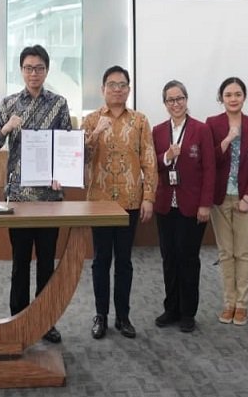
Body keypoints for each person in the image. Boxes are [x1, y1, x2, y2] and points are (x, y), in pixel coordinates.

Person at [0, 45, 71, 344]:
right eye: (28, 68)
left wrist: (63, 173)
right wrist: (7, 127)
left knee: (47, 262)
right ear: (21, 70)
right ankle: (18, 319)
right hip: (19, 199)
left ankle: (45, 320)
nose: (33, 73)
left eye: (39, 68)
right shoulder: (9, 103)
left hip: (49, 198)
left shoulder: (59, 104)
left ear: (46, 71)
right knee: (20, 262)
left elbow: (65, 147)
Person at [82, 66, 158, 340]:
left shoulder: (140, 120)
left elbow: (149, 160)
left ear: (129, 89)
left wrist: (149, 196)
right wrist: (94, 135)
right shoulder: (91, 120)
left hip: (130, 200)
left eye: (122, 84)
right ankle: (100, 315)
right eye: (111, 84)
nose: (117, 89)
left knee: (124, 261)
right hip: (99, 201)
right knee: (101, 260)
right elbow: (79, 158)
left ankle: (122, 316)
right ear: (103, 89)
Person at [151, 81, 215, 333]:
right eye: (170, 100)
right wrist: (167, 156)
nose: (175, 104)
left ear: (186, 100)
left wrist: (205, 204)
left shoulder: (201, 130)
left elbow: (210, 170)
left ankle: (188, 312)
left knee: (188, 259)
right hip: (166, 204)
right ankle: (171, 308)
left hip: (192, 205)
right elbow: (152, 164)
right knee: (169, 258)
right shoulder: (157, 131)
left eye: (179, 99)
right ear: (165, 104)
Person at [206, 76, 248, 326]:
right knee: (225, 253)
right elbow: (210, 161)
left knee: (243, 253)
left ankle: (242, 305)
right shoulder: (212, 124)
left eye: (238, 94)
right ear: (222, 98)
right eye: (228, 95)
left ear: (244, 97)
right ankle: (228, 303)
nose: (233, 99)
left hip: (246, 200)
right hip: (220, 199)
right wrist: (229, 139)